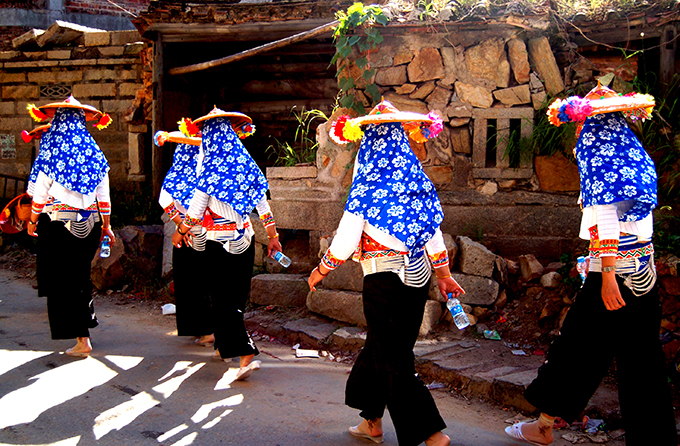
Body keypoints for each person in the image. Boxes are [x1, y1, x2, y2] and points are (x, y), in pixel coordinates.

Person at [504, 83, 677, 446]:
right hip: (643, 271)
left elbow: (608, 223)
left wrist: (609, 276)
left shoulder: (600, 154)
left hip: (611, 273)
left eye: (583, 124)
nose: (580, 132)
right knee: (641, 361)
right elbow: (639, 223)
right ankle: (653, 440)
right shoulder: (635, 156)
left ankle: (544, 425)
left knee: (576, 350)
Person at [308, 100, 464, 446]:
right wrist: (443, 274)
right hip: (419, 277)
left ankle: (431, 432)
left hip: (384, 279)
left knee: (393, 355)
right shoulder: (418, 183)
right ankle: (371, 420)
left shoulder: (368, 187)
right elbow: (433, 234)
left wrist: (321, 270)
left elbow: (346, 239)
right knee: (384, 347)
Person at [171, 107, 281, 381]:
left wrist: (181, 229)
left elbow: (196, 210)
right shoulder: (245, 164)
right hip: (245, 238)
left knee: (221, 300)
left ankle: (244, 352)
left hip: (217, 244)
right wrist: (273, 237)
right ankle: (224, 347)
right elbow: (262, 204)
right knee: (234, 297)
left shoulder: (208, 168)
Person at [25, 96, 115, 358]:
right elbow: (104, 197)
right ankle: (84, 329)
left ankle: (81, 339)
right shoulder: (94, 153)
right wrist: (106, 226)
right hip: (89, 224)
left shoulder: (52, 153)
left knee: (62, 281)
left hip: (57, 226)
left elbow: (39, 195)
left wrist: (32, 221)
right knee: (80, 277)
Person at [155, 129, 214, 347]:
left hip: (186, 235)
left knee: (189, 280)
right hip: (211, 233)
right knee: (206, 280)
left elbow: (165, 200)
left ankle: (203, 329)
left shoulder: (177, 174)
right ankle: (209, 328)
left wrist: (180, 225)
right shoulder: (206, 173)